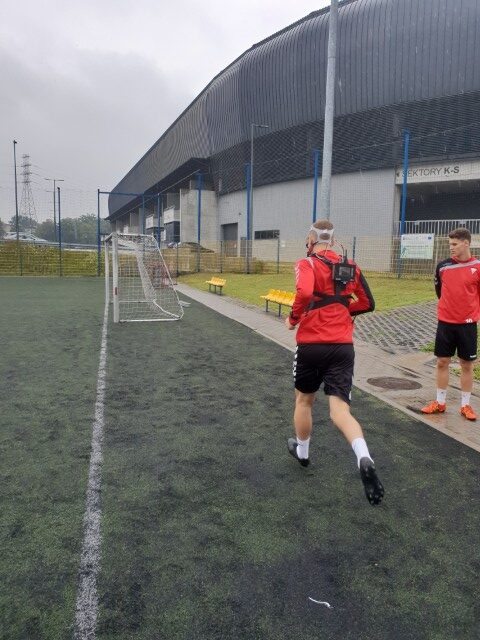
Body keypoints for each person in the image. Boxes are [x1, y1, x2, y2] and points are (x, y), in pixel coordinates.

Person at [285, 220, 384, 506]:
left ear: (311, 239)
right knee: (340, 411)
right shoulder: (350, 266)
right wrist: (341, 308)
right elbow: (368, 303)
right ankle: (363, 456)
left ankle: (303, 452)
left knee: (304, 400)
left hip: (311, 345)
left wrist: (293, 318)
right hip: (342, 346)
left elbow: (305, 293)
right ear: (333, 239)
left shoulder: (306, 263)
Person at [421, 227, 480, 421]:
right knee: (442, 362)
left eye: (454, 244)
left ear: (466, 243)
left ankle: (465, 405)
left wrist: (471, 313)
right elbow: (439, 291)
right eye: (450, 244)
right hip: (445, 323)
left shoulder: (477, 267)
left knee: (466, 365)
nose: (451, 248)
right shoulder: (443, 266)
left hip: (467, 325)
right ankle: (440, 402)